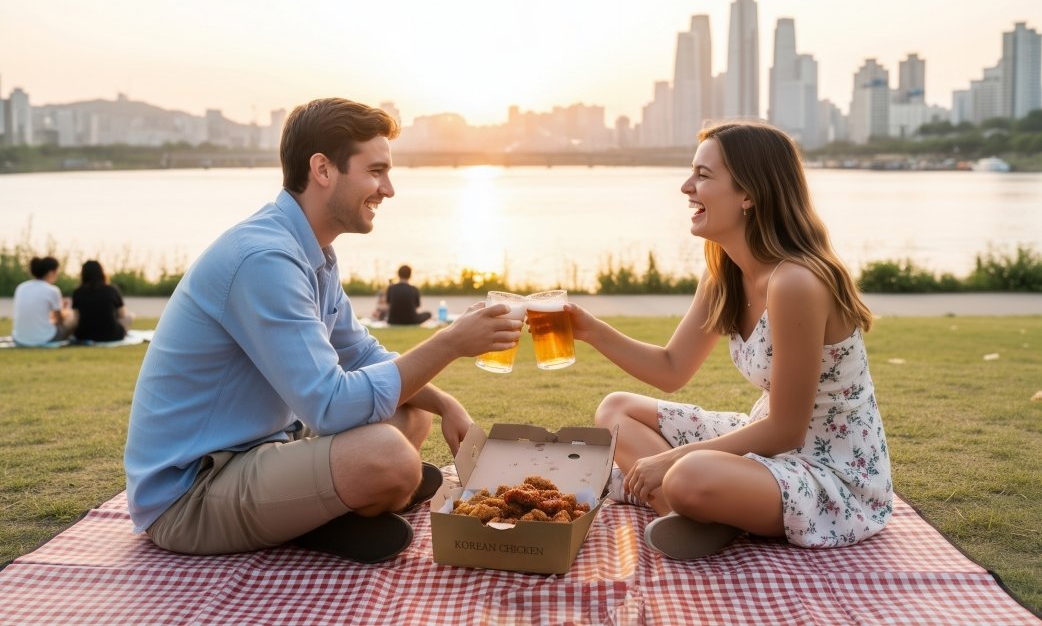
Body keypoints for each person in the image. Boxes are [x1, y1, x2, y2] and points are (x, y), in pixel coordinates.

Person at [124, 98, 521, 563]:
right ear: (323, 170)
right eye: (375, 171)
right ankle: (334, 512)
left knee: (412, 414)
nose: (388, 189)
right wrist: (450, 342)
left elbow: (361, 354)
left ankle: (327, 514)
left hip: (263, 451)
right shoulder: (264, 259)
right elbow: (330, 406)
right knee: (389, 457)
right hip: (190, 492)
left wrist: (445, 402)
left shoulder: (310, 252)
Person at [568, 120, 892, 560]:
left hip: (829, 470)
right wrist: (591, 330)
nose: (687, 187)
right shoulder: (724, 272)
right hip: (768, 446)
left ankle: (697, 503)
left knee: (687, 474)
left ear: (749, 194)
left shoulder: (795, 282)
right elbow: (670, 370)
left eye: (703, 175)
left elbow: (786, 429)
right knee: (616, 410)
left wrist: (670, 460)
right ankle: (694, 515)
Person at [12, 256, 76, 346]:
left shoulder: (21, 287)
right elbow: (59, 320)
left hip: (19, 338)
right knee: (73, 316)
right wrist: (65, 310)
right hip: (45, 338)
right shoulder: (52, 290)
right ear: (51, 272)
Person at [72, 260, 134, 342]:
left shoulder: (78, 292)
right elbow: (122, 314)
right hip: (112, 335)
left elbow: (76, 319)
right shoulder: (112, 290)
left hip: (84, 335)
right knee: (131, 316)